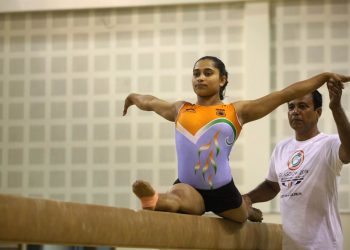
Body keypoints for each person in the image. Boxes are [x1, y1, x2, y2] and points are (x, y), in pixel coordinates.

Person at [123, 55, 350, 224]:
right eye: (196, 73)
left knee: (241, 214)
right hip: (188, 185)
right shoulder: (180, 109)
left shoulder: (237, 111)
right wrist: (133, 97)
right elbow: (151, 102)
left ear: (223, 80)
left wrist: (323, 77)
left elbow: (284, 95)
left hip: (223, 189)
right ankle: (152, 199)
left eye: (207, 73)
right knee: (176, 200)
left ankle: (248, 209)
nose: (200, 77)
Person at [243, 84, 350, 249]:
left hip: (324, 245)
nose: (295, 111)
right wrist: (247, 199)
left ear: (318, 112)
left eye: (303, 106)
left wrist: (336, 108)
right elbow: (272, 186)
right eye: (291, 107)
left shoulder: (330, 143)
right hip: (291, 245)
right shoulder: (281, 148)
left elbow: (348, 151)